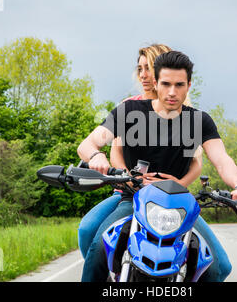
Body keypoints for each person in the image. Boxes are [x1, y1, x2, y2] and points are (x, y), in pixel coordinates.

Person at [78, 51, 237, 282]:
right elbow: (88, 143)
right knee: (100, 249)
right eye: (166, 84)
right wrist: (95, 155)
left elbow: (222, 159)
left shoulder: (199, 121)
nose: (172, 92)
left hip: (178, 203)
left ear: (189, 85)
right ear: (156, 83)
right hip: (134, 198)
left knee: (219, 267)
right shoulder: (129, 112)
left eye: (179, 85)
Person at [77, 44, 201, 258]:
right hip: (130, 193)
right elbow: (116, 151)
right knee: (87, 230)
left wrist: (179, 185)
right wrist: (128, 177)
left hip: (173, 200)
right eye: (139, 69)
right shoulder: (129, 106)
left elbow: (196, 162)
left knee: (218, 265)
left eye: (149, 68)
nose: (143, 75)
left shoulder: (187, 113)